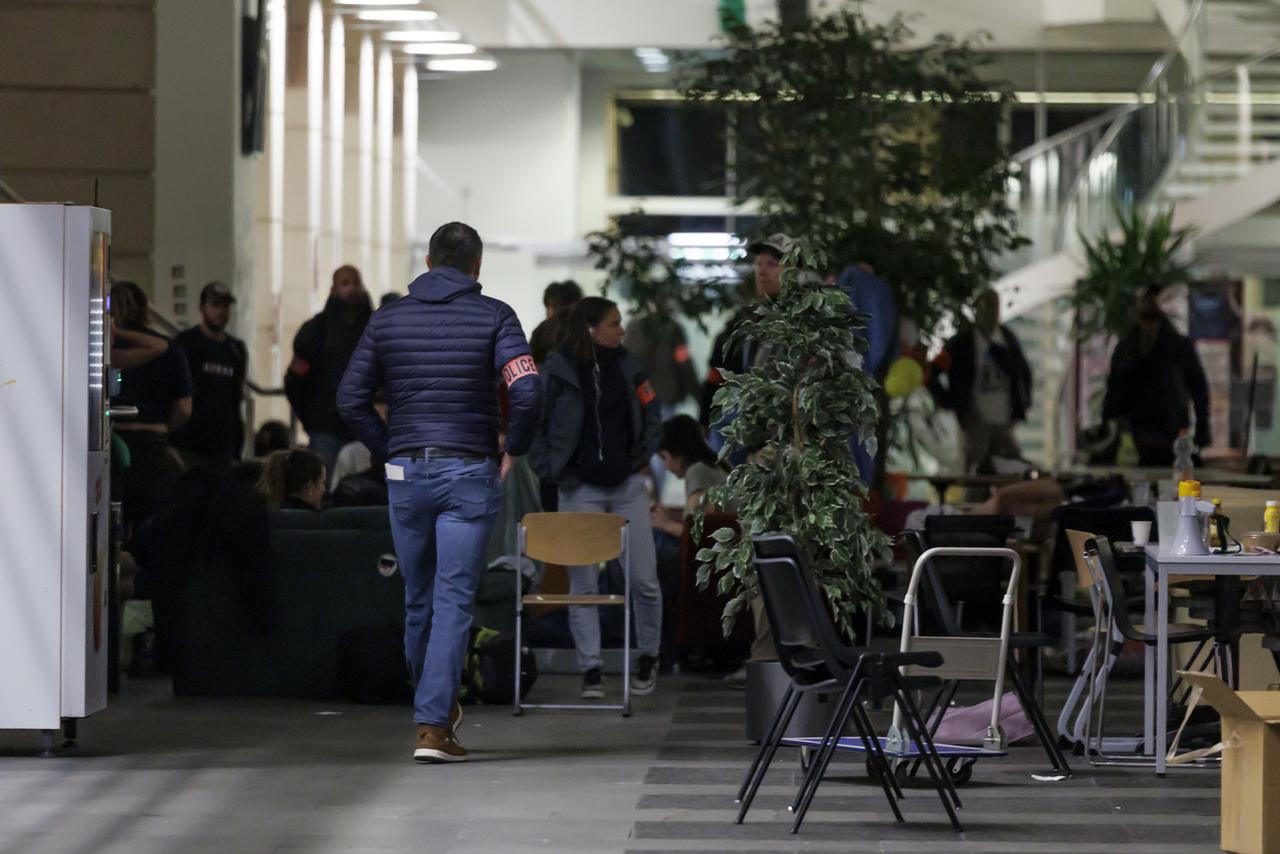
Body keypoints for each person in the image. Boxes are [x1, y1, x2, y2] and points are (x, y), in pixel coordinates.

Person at [338, 221, 541, 764]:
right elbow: (526, 389)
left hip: (406, 473)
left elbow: (350, 398)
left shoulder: (388, 319)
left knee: (418, 597)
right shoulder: (496, 315)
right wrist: (512, 448)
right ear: (477, 267)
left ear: (428, 262)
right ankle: (432, 724)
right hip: (469, 471)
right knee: (453, 598)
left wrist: (390, 448)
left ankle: (433, 711)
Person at [530, 296, 663, 702]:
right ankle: (591, 669)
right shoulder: (558, 369)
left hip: (626, 486)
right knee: (583, 584)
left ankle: (648, 656)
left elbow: (652, 414)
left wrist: (642, 458)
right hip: (579, 488)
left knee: (644, 580)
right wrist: (551, 469)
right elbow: (536, 424)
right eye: (613, 323)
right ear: (590, 328)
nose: (621, 330)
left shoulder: (631, 365)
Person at [110, 280, 193, 535]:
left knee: (114, 518)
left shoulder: (107, 348)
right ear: (146, 309)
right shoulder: (169, 349)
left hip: (115, 440)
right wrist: (166, 428)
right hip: (152, 443)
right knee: (153, 523)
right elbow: (184, 408)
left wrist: (115, 331)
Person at [1102, 285, 1211, 465]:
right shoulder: (1125, 348)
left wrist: (1202, 432)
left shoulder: (1179, 347)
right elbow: (1112, 392)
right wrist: (1107, 431)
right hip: (1132, 435)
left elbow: (1199, 390)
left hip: (1169, 432)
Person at [927, 288, 1032, 472]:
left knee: (1011, 466)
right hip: (975, 419)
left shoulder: (1007, 339)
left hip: (1004, 418)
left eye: (994, 309)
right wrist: (948, 401)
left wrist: (1022, 405)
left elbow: (1024, 373)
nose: (991, 315)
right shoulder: (961, 343)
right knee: (976, 468)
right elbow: (932, 371)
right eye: (986, 309)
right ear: (977, 312)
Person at [285, 265, 372, 473]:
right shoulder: (314, 332)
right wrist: (312, 421)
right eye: (345, 283)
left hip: (366, 428)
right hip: (326, 429)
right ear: (333, 290)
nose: (351, 288)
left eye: (355, 282)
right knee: (321, 488)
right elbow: (295, 382)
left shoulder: (378, 328)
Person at [700, 234, 788, 439]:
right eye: (759, 264)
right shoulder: (742, 321)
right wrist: (704, 419)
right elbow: (716, 373)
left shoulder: (801, 323)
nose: (762, 271)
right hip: (740, 428)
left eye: (772, 264)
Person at [172, 282, 248, 468]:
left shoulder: (235, 349)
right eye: (215, 305)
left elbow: (235, 397)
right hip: (189, 441)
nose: (220, 311)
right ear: (202, 307)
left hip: (223, 442)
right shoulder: (186, 343)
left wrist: (237, 443)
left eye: (225, 306)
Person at [529, 280, 583, 366]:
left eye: (547, 306)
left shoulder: (541, 332)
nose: (546, 312)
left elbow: (531, 366)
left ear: (551, 306)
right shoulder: (585, 330)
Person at [258, 448, 326, 511]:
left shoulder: (267, 515)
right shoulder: (319, 521)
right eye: (322, 483)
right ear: (310, 487)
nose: (324, 489)